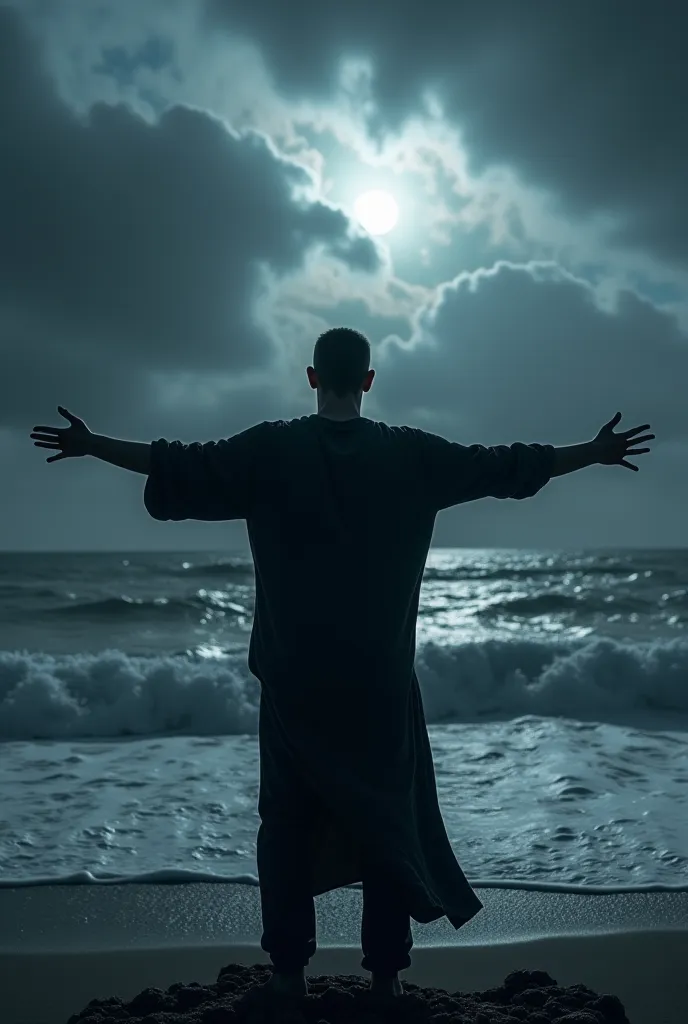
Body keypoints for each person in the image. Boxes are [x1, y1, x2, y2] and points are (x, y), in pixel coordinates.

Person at [30, 327, 654, 1001]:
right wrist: (591, 452)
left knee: (287, 825)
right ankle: (385, 983)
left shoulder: (269, 448)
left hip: (296, 679)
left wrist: (93, 445)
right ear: (368, 380)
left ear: (309, 376)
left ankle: (290, 977)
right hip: (378, 681)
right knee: (385, 820)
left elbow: (178, 462)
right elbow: (506, 465)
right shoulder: (412, 455)